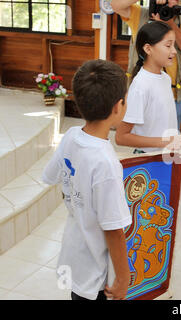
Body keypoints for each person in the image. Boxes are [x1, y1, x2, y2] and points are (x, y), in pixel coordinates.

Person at [42, 59, 132, 300]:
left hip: (74, 253)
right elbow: (113, 229)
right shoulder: (106, 162)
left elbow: (50, 176)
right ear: (118, 107)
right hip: (96, 272)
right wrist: (124, 277)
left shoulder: (71, 136)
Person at [111, 0, 181, 130]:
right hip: (144, 93)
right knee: (141, 136)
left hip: (172, 94)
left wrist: (170, 24)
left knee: (169, 138)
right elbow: (115, 5)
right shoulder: (140, 14)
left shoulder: (180, 20)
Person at [115, 21, 181, 154]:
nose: (174, 51)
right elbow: (121, 137)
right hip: (148, 160)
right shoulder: (141, 85)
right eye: (168, 45)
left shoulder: (165, 78)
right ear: (148, 49)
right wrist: (165, 141)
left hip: (167, 155)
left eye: (174, 45)